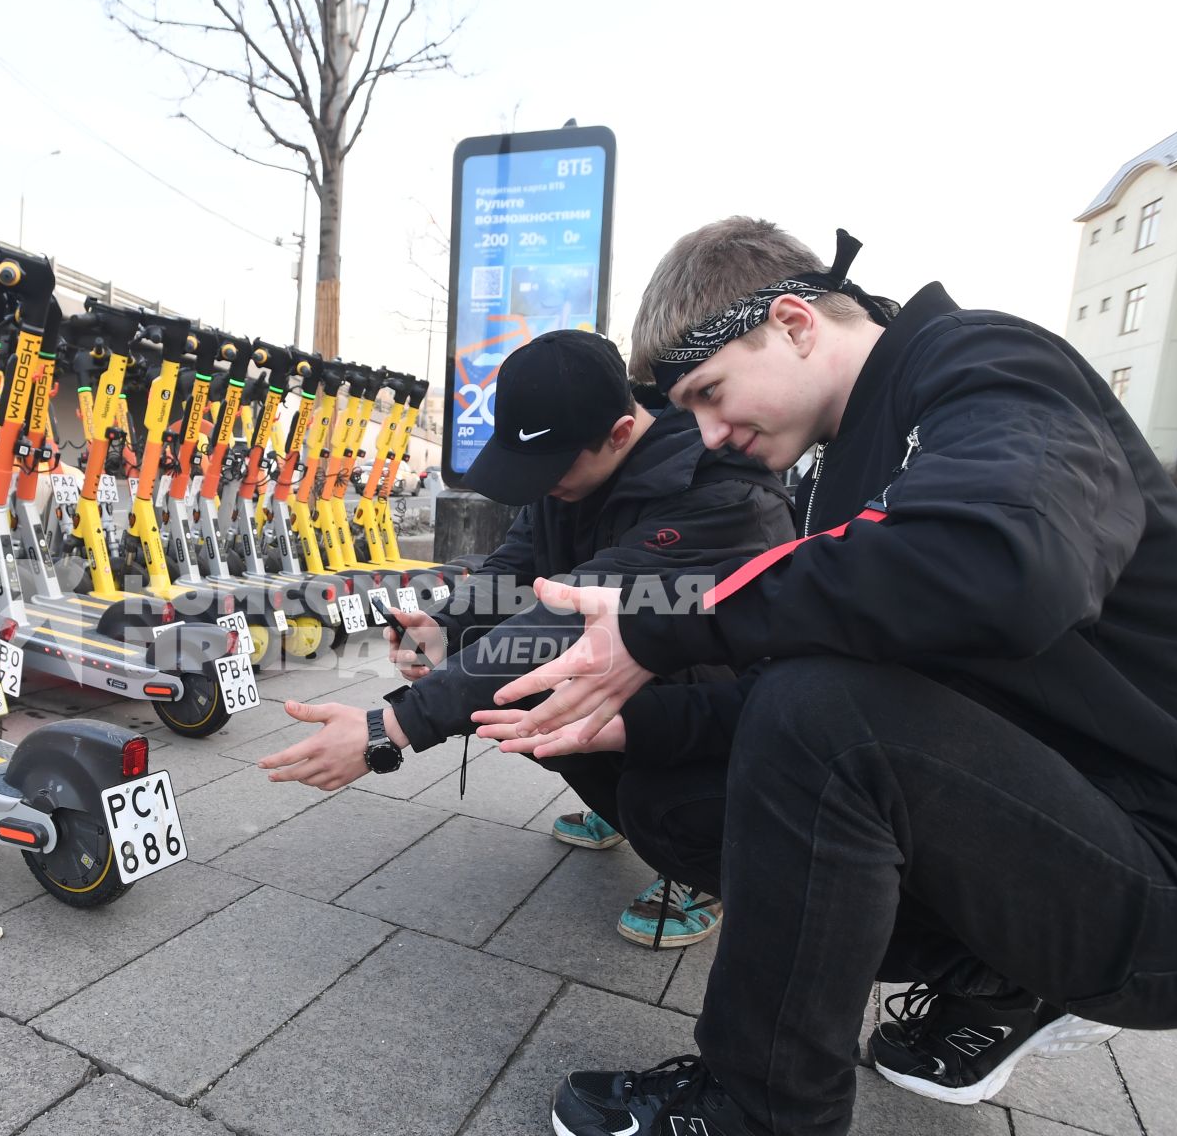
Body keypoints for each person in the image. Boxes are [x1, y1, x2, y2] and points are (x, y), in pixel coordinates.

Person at [478, 219, 1177, 1136]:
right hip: (1083, 834)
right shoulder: (853, 462)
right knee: (685, 797)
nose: (711, 433)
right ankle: (997, 984)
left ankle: (768, 1122)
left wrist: (668, 622)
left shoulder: (988, 366)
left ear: (793, 322)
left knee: (819, 713)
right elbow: (837, 672)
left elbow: (1007, 562)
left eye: (711, 396)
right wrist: (630, 725)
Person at [258, 328, 790, 951]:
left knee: (559, 687)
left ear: (620, 433)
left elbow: (562, 622)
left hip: (738, 720)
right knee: (518, 695)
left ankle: (698, 857)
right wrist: (446, 626)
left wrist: (389, 729)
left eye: (553, 469)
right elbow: (515, 568)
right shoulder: (574, 473)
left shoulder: (721, 495)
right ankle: (622, 800)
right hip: (640, 678)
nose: (542, 485)